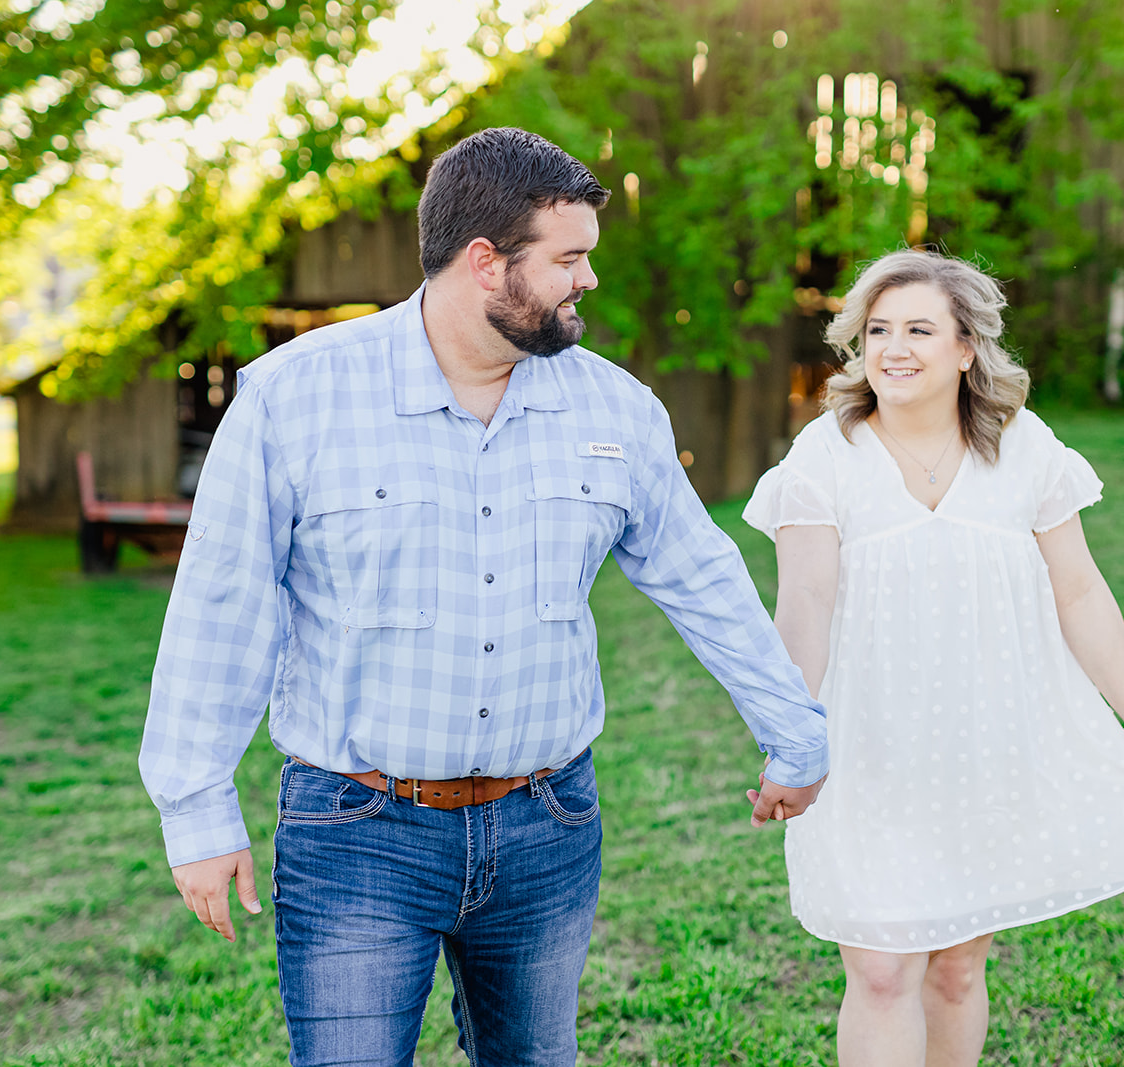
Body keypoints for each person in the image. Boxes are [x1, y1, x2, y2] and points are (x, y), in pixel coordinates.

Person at [139, 127, 829, 1067]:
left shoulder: (615, 409)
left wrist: (795, 730)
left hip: (548, 826)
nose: (587, 280)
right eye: (569, 259)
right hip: (356, 831)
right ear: (484, 262)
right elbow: (222, 606)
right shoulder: (295, 399)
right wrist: (196, 805)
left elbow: (702, 579)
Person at [742, 249, 1124, 1067]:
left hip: (985, 745)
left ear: (965, 348)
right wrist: (790, 741)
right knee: (881, 972)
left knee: (955, 968)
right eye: (878, 330)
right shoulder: (826, 454)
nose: (894, 347)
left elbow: (1082, 592)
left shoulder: (1022, 447)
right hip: (867, 750)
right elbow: (803, 605)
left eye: (919, 328)